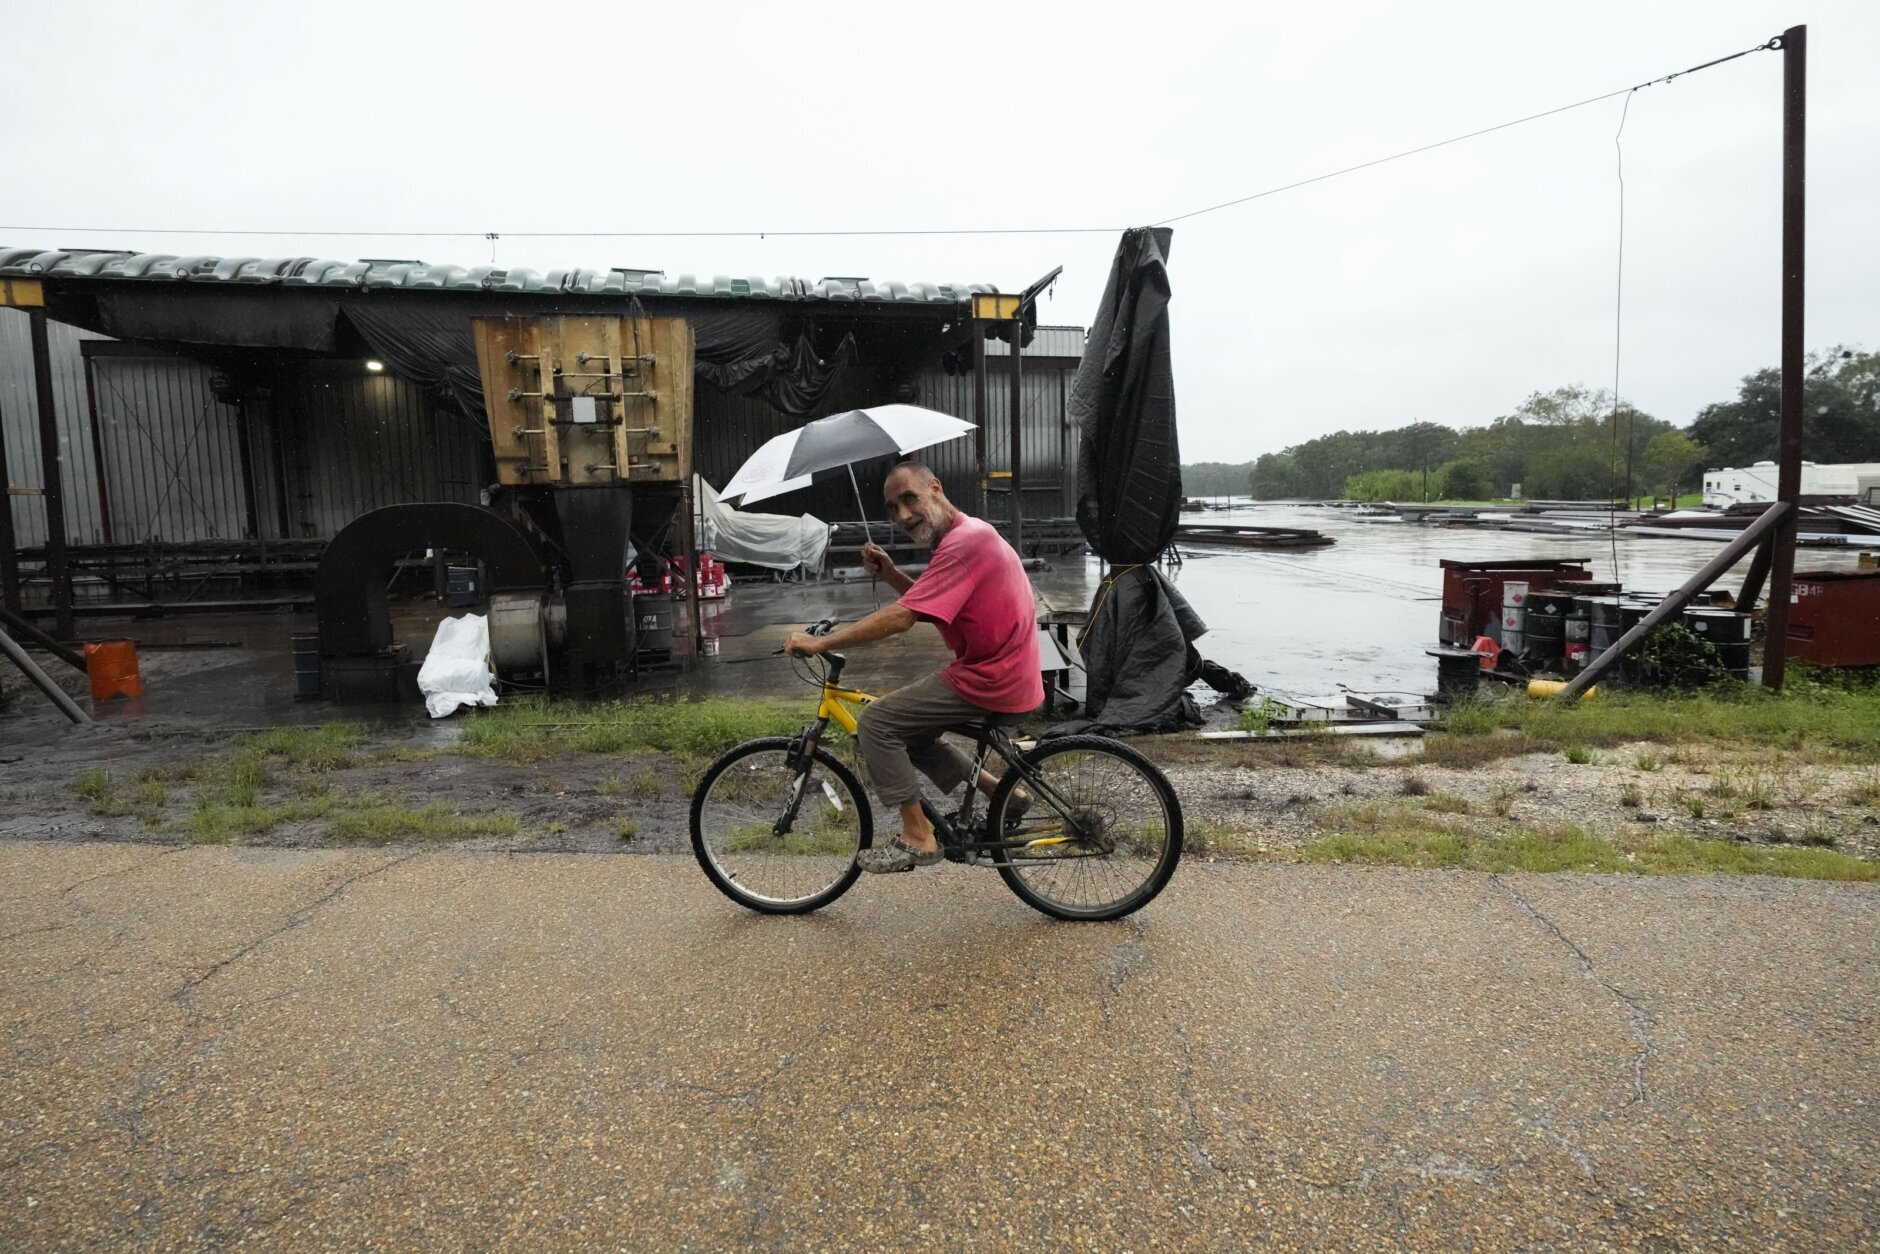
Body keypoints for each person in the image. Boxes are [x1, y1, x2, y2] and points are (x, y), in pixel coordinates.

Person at [785, 461, 1040, 873]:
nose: (903, 515)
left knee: (877, 723)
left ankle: (918, 836)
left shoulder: (962, 544)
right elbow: (927, 603)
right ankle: (1005, 795)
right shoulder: (968, 534)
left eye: (909, 499)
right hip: (1005, 671)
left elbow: (902, 617)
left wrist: (821, 643)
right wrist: (890, 574)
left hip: (992, 677)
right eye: (892, 508)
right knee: (912, 734)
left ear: (935, 488)